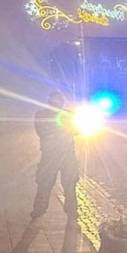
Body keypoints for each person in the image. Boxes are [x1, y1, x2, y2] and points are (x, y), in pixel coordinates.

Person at [32, 92, 79, 221]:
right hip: (53, 155)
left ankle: (70, 210)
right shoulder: (43, 115)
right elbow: (42, 132)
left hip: (63, 155)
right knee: (46, 184)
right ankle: (40, 209)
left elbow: (76, 131)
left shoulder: (66, 115)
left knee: (67, 184)